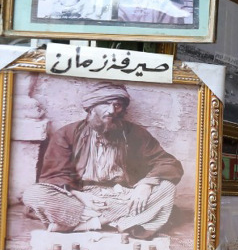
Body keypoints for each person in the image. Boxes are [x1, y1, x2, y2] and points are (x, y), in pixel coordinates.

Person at [22, 83, 183, 240]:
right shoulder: (66, 134)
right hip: (81, 195)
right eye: (106, 104)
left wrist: (145, 185)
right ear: (91, 107)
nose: (112, 110)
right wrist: (80, 196)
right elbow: (54, 175)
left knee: (167, 187)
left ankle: (89, 223)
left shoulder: (135, 134)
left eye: (117, 105)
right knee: (33, 194)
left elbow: (168, 163)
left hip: (123, 194)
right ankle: (121, 218)